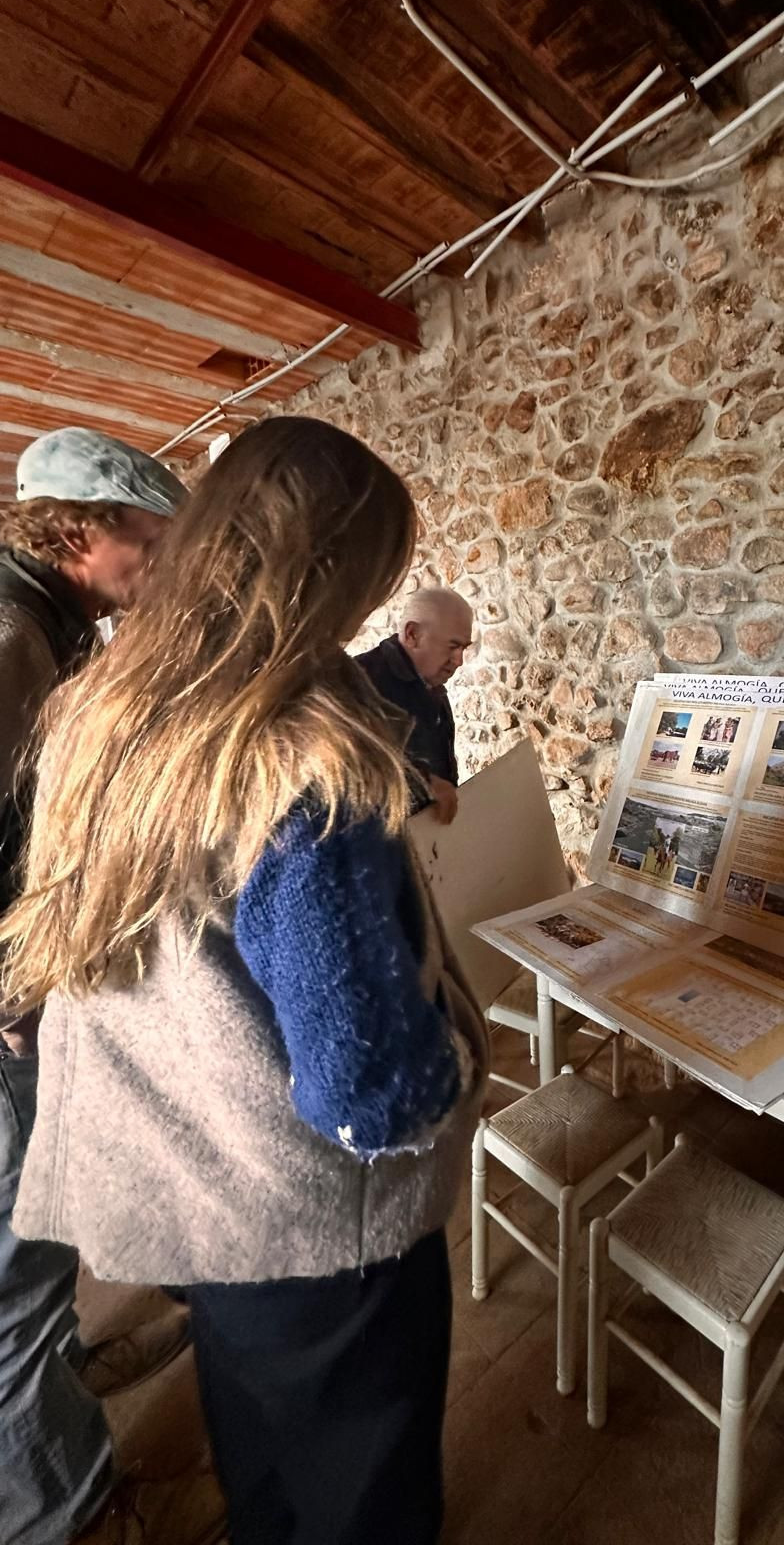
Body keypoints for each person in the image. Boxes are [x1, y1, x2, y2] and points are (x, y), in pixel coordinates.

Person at [1, 416, 488, 1545]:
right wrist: (459, 1055)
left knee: (264, 1458)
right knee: (362, 1488)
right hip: (314, 1224)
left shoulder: (106, 707)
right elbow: (368, 1089)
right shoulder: (305, 763)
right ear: (338, 575)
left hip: (195, 1186)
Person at [0, 427, 198, 1545]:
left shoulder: (56, 623)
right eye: (153, 542)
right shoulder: (11, 632)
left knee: (45, 1223)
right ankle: (68, 1516)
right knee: (12, 1270)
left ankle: (66, 1374)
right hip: (7, 1013)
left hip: (35, 983)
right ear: (80, 529)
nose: (162, 565)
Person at [357, 586, 473, 824]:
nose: (459, 661)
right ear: (412, 634)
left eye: (463, 648)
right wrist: (424, 785)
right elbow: (352, 772)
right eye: (452, 647)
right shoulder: (359, 683)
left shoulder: (430, 684)